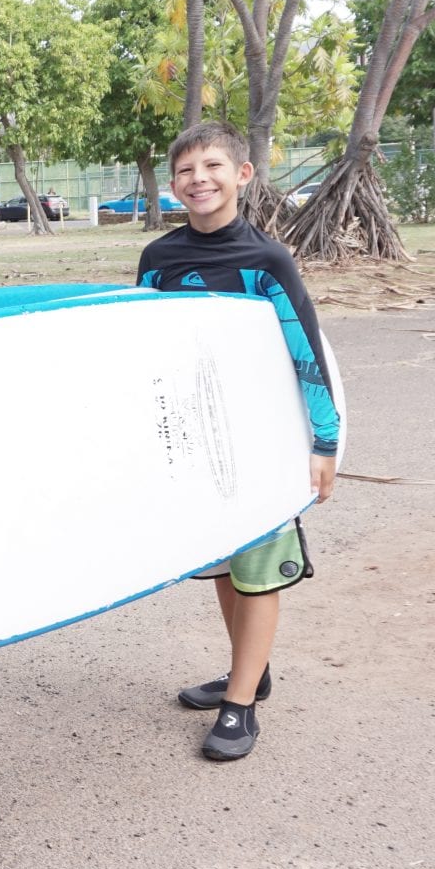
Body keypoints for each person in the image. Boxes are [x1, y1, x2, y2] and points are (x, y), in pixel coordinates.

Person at [135, 124, 339, 761]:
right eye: (186, 170)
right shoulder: (159, 259)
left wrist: (325, 444)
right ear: (173, 185)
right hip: (197, 441)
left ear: (243, 175)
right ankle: (250, 671)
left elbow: (305, 352)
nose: (200, 179)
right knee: (225, 562)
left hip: (264, 442)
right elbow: (140, 354)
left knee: (256, 570)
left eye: (213, 166)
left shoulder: (266, 261)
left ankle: (240, 705)